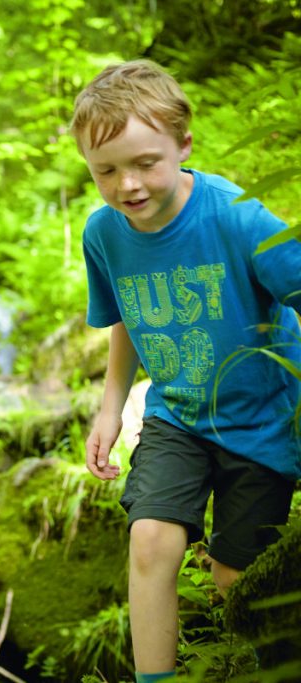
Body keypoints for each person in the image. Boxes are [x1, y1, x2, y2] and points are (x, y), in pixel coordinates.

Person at [72, 59, 301, 683]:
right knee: (150, 540)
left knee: (236, 574)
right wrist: (110, 408)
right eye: (106, 171)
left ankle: (265, 667)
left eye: (145, 162)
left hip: (261, 418)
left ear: (184, 144)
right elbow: (125, 315)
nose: (128, 185)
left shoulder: (237, 217)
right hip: (177, 413)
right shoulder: (104, 234)